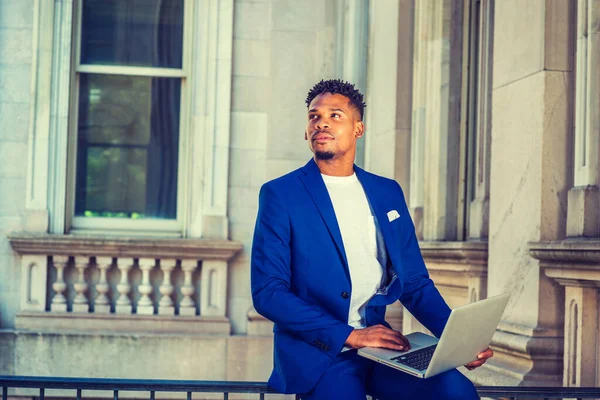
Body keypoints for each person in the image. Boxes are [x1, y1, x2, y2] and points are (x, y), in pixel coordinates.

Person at [251, 79, 492, 400]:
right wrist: (350, 335)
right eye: (314, 116)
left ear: (358, 128)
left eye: (335, 115)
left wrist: (458, 342)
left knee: (455, 390)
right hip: (322, 354)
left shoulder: (386, 192)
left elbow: (415, 283)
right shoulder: (281, 194)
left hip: (381, 349)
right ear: (306, 131)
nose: (321, 122)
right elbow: (268, 292)